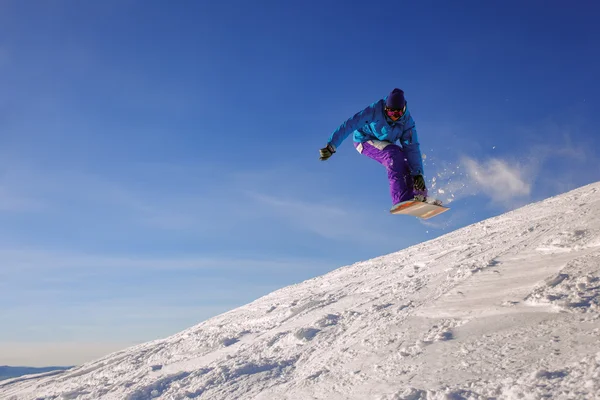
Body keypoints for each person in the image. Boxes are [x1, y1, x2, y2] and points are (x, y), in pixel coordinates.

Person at [319, 88, 428, 211]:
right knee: (393, 156)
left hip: (384, 143)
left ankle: (419, 196)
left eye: (398, 114)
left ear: (404, 110)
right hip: (364, 140)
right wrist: (331, 146)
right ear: (386, 109)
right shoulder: (374, 111)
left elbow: (412, 147)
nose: (395, 117)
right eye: (391, 113)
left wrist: (418, 173)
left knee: (407, 160)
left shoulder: (407, 122)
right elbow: (350, 124)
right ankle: (401, 199)